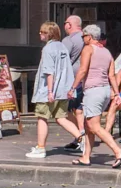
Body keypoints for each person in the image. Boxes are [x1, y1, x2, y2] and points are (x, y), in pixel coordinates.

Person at [70, 24, 121, 168]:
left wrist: (73, 87)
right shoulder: (107, 52)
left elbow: (83, 70)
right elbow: (111, 75)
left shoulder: (88, 49)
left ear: (89, 37)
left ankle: (118, 151)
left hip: (93, 90)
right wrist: (116, 93)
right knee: (87, 124)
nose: (83, 39)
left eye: (83, 36)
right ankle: (86, 157)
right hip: (104, 90)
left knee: (94, 125)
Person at [26, 21, 82, 159]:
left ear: (49, 34)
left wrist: (50, 91)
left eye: (42, 32)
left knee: (42, 117)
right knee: (61, 117)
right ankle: (82, 138)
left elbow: (49, 71)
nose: (40, 34)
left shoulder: (48, 49)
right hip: (63, 89)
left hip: (49, 90)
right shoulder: (62, 47)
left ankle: (40, 148)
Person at [60, 16, 87, 148]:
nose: (64, 26)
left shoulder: (68, 40)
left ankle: (80, 136)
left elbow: (62, 60)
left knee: (68, 109)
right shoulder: (88, 38)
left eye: (65, 23)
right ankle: (81, 135)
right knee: (80, 108)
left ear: (69, 25)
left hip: (72, 79)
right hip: (86, 78)